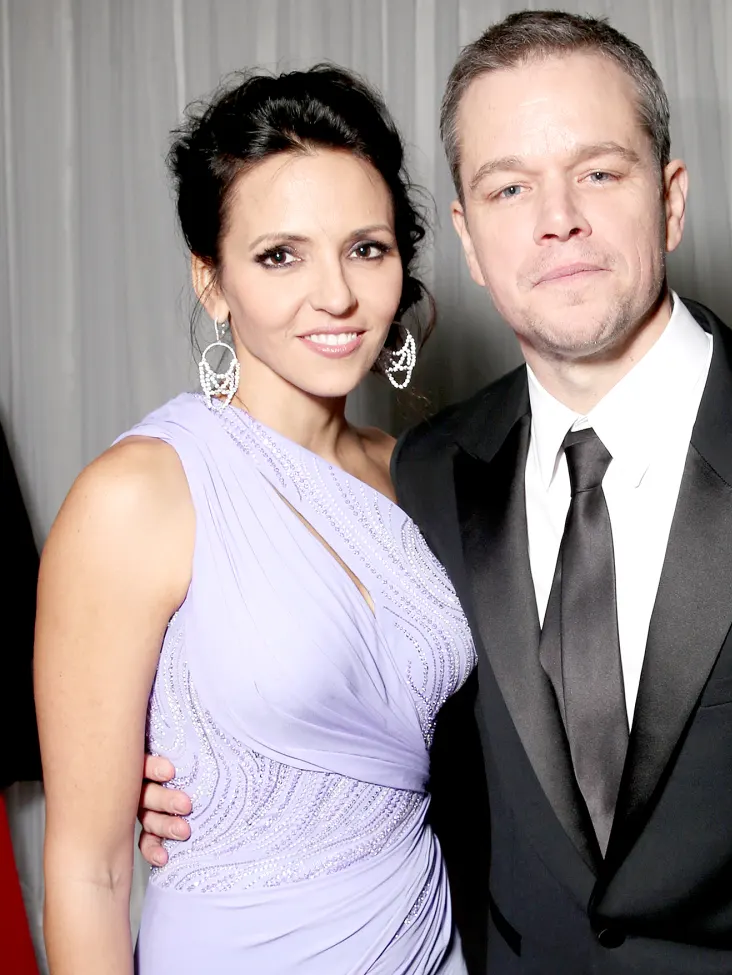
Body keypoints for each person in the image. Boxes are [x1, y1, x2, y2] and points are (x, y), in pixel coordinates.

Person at [137, 10, 732, 975]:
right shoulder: (422, 474)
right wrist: (203, 776)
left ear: (669, 199)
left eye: (598, 171)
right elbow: (380, 720)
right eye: (510, 186)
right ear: (466, 235)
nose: (558, 218)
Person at [34, 64, 475, 975]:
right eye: (281, 255)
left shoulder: (422, 475)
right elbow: (89, 869)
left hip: (429, 938)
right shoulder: (139, 495)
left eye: (367, 248)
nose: (337, 295)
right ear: (212, 281)